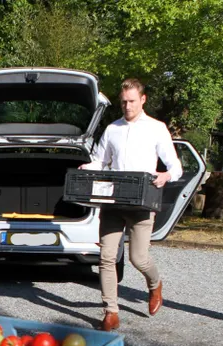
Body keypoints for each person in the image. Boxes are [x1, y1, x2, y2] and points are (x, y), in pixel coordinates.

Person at [80, 78, 183, 331]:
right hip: (113, 202)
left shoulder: (157, 128)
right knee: (106, 257)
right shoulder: (112, 129)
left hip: (141, 202)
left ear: (143, 100)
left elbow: (176, 167)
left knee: (139, 257)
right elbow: (101, 161)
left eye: (132, 101)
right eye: (124, 102)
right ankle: (110, 312)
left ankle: (154, 284)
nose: (127, 106)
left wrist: (165, 176)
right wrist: (87, 167)